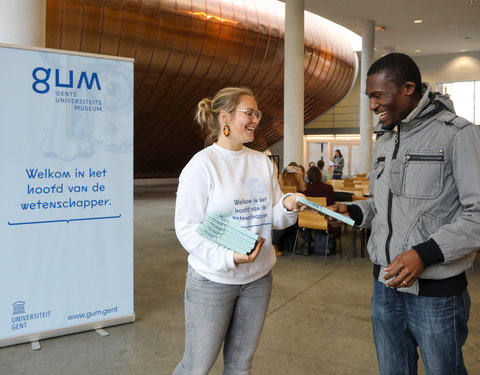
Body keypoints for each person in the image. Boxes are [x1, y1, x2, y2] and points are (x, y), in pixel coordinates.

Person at [328, 53, 480, 374]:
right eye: (370, 97)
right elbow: (381, 204)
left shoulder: (458, 134)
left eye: (378, 96)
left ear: (408, 88)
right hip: (384, 288)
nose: (372, 106)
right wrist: (352, 211)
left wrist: (424, 254)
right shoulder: (385, 139)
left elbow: (477, 214)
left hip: (436, 296)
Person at [174, 87, 305, 375]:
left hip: (258, 280)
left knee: (240, 366)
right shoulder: (202, 165)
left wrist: (288, 206)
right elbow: (187, 227)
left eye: (257, 114)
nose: (256, 119)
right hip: (213, 280)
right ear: (225, 117)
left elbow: (271, 217)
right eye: (250, 113)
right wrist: (228, 257)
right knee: (197, 366)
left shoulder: (261, 162)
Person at [298, 166, 339, 256]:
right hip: (326, 220)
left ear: (308, 177)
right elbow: (332, 205)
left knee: (307, 216)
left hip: (308, 222)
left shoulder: (306, 192)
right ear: (320, 176)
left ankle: (306, 245)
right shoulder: (328, 188)